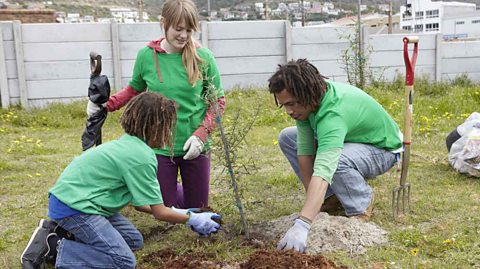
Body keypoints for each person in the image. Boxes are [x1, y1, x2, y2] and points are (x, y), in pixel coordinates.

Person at [20, 92, 221, 269]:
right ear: (155, 126)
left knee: (133, 240)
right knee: (122, 261)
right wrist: (190, 218)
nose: (170, 132)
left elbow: (141, 204)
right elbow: (159, 212)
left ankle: (63, 233)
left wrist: (181, 212)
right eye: (169, 126)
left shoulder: (130, 145)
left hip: (85, 202)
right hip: (76, 208)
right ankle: (53, 249)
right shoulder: (140, 156)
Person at [86, 0, 225, 209]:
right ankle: (168, 189)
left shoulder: (203, 57)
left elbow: (217, 101)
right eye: (178, 29)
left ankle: (184, 190)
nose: (184, 36)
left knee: (198, 208)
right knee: (162, 208)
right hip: (160, 145)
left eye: (189, 30)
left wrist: (201, 136)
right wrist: (106, 105)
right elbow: (135, 89)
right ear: (163, 23)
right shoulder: (146, 56)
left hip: (195, 144)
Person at [268, 59, 403, 253]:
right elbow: (305, 151)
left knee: (336, 159)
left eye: (291, 104)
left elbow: (324, 169)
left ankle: (361, 202)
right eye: (284, 105)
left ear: (306, 94)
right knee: (288, 137)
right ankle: (331, 196)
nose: (289, 111)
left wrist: (303, 223)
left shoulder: (333, 114)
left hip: (382, 149)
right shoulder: (310, 102)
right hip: (353, 140)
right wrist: (312, 202)